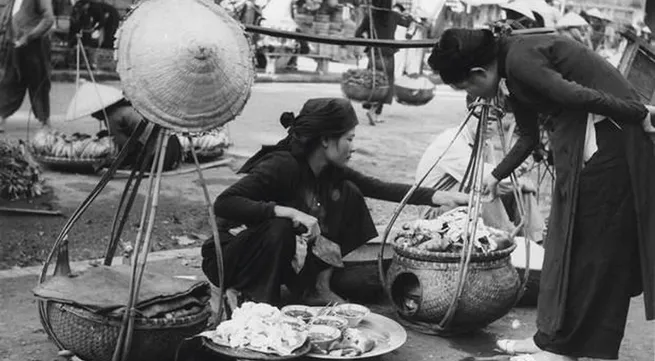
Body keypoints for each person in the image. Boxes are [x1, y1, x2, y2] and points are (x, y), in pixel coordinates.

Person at [428, 28, 655, 361]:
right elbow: (528, 135)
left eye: (467, 86)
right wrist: (496, 174)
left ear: (479, 72)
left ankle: (580, 348)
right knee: (563, 246)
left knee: (598, 252)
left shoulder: (520, 59)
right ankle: (550, 340)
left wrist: (641, 111)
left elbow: (577, 96)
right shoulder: (511, 69)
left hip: (612, 147)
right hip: (584, 147)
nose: (473, 95)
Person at [201, 98, 469, 308]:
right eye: (349, 139)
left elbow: (376, 187)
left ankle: (317, 286)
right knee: (280, 225)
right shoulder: (281, 165)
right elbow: (224, 204)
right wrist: (288, 212)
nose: (353, 147)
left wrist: (438, 196)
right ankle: (259, 302)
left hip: (280, 254)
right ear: (326, 140)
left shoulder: (328, 169)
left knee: (350, 193)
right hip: (231, 259)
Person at [415, 110, 545, 243]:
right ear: (468, 114)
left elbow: (497, 181)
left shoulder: (486, 144)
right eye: (481, 116)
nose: (488, 123)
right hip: (436, 212)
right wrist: (519, 181)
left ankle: (536, 242)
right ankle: (504, 242)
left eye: (494, 119)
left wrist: (515, 176)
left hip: (465, 202)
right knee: (484, 190)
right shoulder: (452, 141)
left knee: (521, 193)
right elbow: (486, 182)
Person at [0, 0, 54, 133]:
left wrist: (30, 36)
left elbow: (48, 18)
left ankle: (44, 120)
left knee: (38, 82)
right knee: (10, 81)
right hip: (15, 45)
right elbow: (7, 20)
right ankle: (1, 115)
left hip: (35, 47)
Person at [354, 0, 410, 125]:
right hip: (388, 54)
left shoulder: (370, 16)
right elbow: (408, 23)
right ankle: (375, 112)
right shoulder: (394, 16)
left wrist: (367, 39)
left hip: (374, 54)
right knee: (386, 84)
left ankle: (374, 112)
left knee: (375, 83)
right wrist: (407, 14)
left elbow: (358, 33)